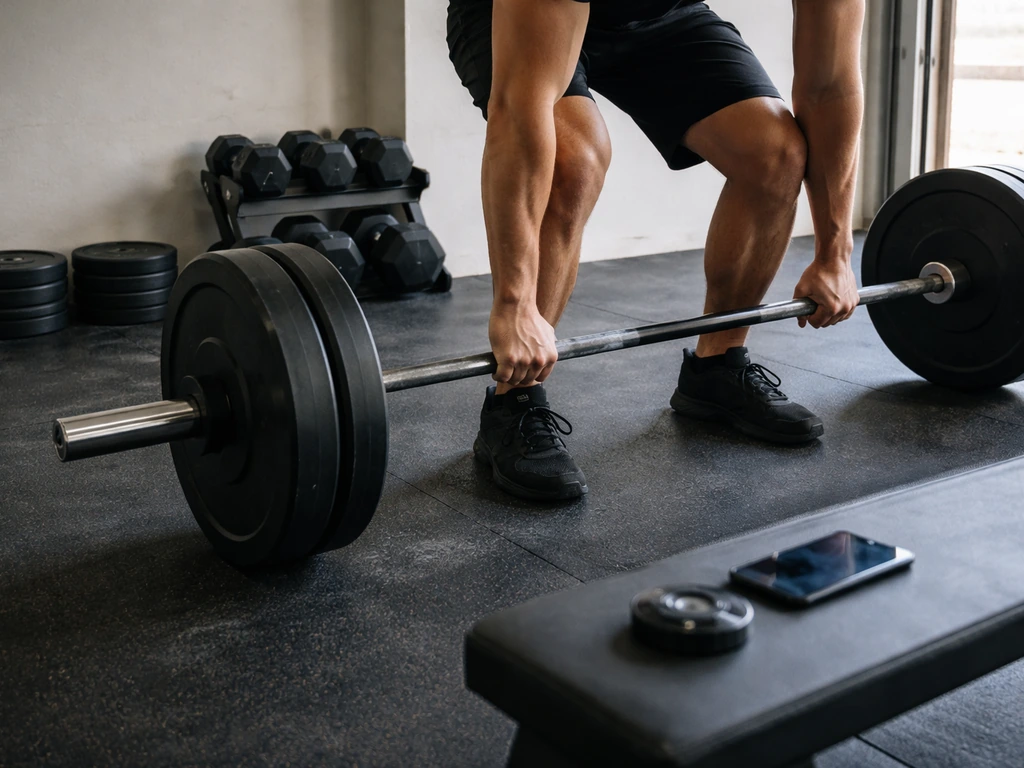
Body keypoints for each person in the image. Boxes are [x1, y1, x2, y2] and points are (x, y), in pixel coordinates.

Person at [447, 0, 865, 500]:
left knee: (775, 153)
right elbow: (521, 107)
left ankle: (717, 368)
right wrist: (513, 304)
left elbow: (830, 84)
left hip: (659, 14)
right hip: (516, 13)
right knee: (573, 162)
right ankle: (515, 401)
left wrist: (835, 253)